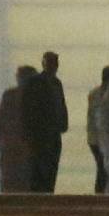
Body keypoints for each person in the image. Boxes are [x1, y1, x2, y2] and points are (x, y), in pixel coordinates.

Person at [20, 50, 68, 193]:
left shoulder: (55, 83)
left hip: (52, 133)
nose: (54, 66)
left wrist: (63, 123)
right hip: (40, 133)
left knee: (51, 167)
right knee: (39, 168)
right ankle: (38, 195)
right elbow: (28, 109)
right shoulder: (36, 83)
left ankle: (47, 193)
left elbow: (61, 105)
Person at [0, 66, 34, 193]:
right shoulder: (37, 97)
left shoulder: (9, 95)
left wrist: (1, 142)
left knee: (10, 180)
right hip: (23, 146)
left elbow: (0, 123)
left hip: (12, 145)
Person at [85, 62, 109, 195]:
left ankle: (101, 195)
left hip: (95, 139)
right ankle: (103, 195)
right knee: (105, 170)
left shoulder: (94, 93)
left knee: (102, 169)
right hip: (102, 139)